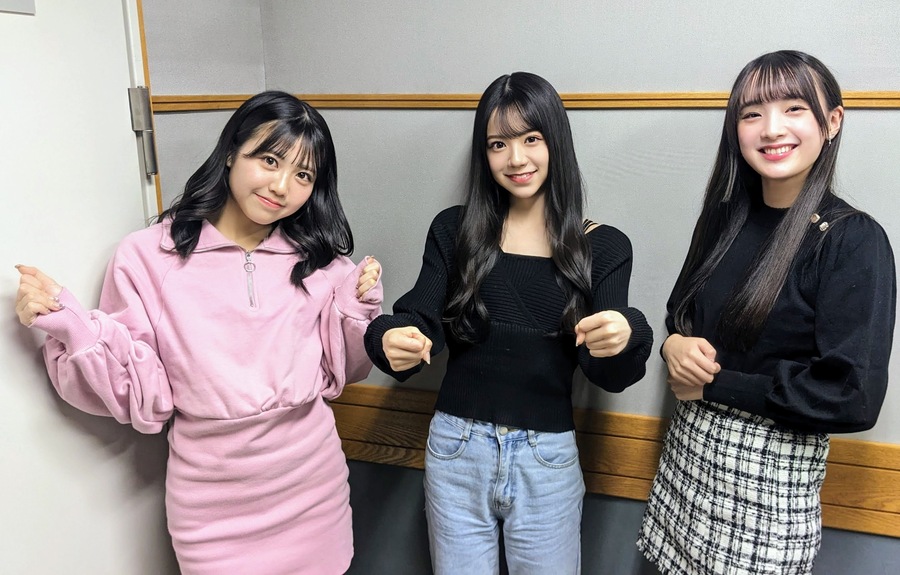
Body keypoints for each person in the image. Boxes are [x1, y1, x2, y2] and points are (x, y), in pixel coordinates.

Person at [14, 91, 382, 575]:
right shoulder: (148, 256)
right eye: (269, 160)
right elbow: (142, 392)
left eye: (303, 175)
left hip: (313, 489)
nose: (281, 186)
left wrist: (359, 309)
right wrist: (73, 326)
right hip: (212, 507)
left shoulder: (322, 263)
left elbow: (346, 369)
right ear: (231, 152)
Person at [364, 72, 653, 574]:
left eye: (531, 139)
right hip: (456, 449)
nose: (516, 158)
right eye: (498, 144)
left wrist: (627, 334)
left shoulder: (604, 246)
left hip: (548, 458)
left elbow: (611, 373)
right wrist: (387, 336)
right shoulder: (454, 229)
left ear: (555, 142)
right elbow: (418, 321)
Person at [638, 50, 896, 574]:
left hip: (769, 485)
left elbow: (852, 396)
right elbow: (679, 312)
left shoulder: (851, 239)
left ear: (832, 121)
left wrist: (715, 386)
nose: (771, 128)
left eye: (794, 108)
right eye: (752, 113)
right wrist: (672, 344)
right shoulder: (723, 218)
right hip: (686, 462)